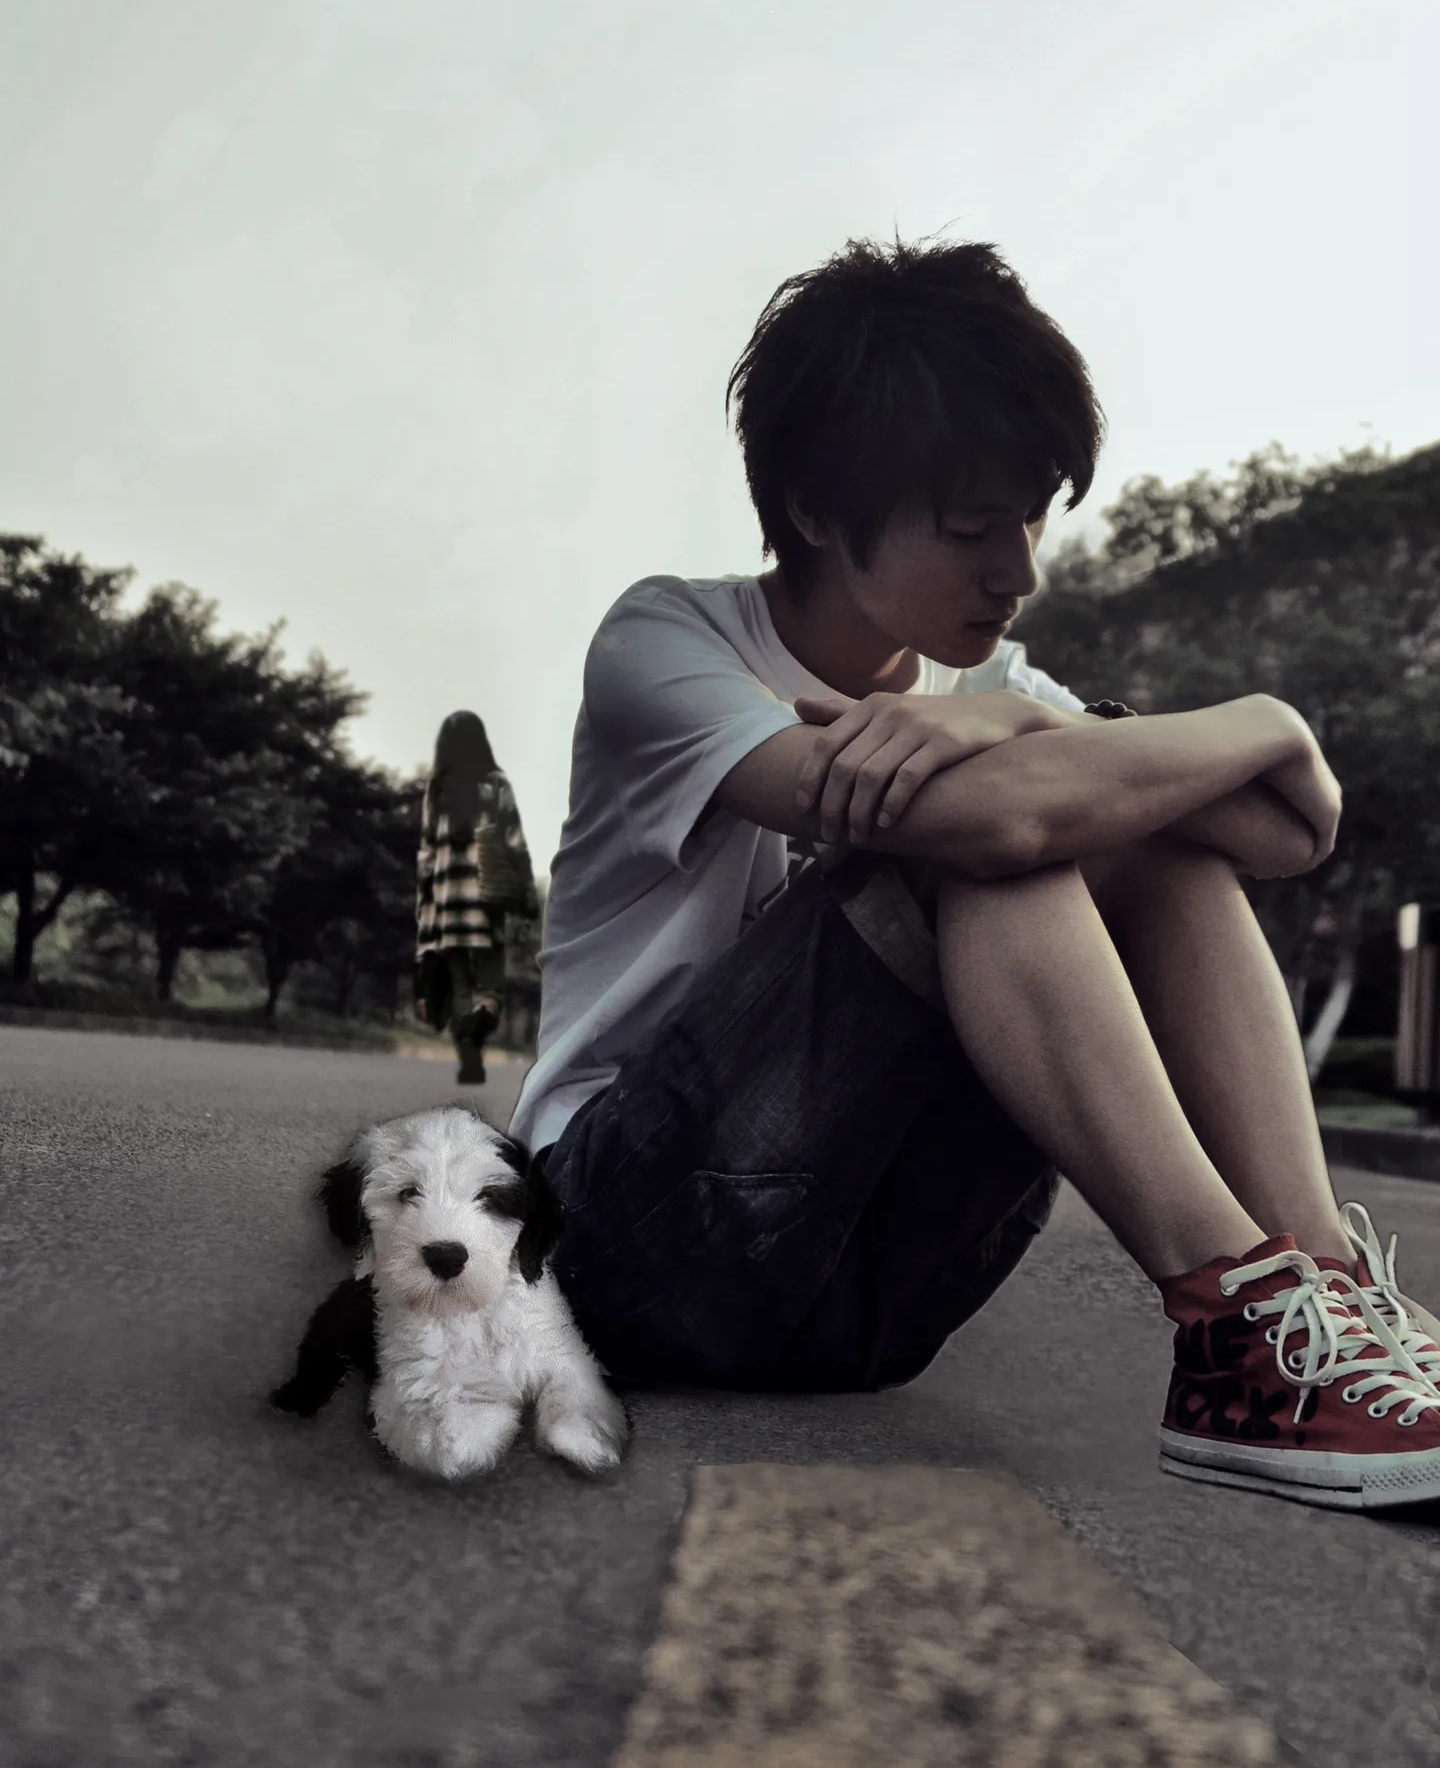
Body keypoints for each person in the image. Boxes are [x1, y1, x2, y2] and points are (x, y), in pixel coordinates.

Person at [509, 236, 1440, 1510]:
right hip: (620, 1243)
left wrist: (1055, 718)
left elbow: (1282, 831)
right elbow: (1000, 830)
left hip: (880, 1289)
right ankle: (1235, 1321)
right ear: (817, 510)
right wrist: (1132, 743)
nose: (1021, 569)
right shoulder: (666, 642)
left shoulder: (995, 688)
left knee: (1141, 830)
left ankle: (1325, 1303)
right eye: (969, 528)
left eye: (1034, 513)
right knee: (999, 843)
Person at [415, 710, 540, 1084]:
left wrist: (426, 901)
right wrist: (526, 893)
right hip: (487, 902)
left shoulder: (436, 789)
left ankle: (469, 1059)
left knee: (459, 983)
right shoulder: (497, 784)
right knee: (489, 984)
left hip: (447, 905)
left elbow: (426, 853)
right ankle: (483, 1015)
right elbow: (514, 841)